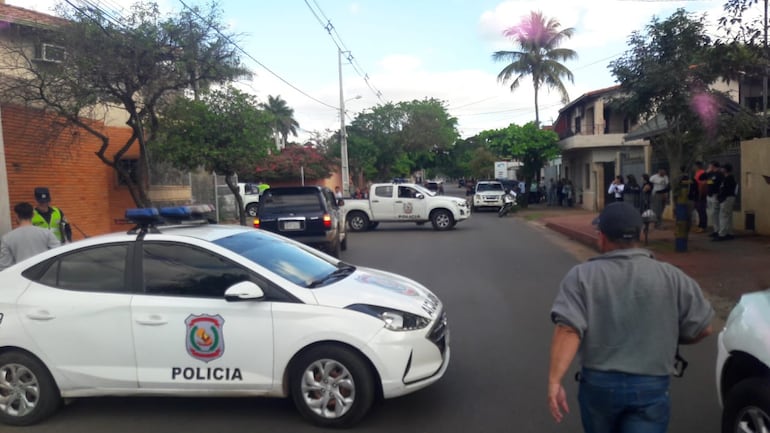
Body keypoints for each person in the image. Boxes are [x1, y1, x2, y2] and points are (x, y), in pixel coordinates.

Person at [548, 202, 714, 433]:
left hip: (599, 384)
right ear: (641, 234)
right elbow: (703, 328)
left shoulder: (581, 277)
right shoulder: (671, 276)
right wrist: (672, 337)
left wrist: (555, 381)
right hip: (651, 383)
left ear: (602, 237)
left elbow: (568, 330)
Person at [0, 202, 61, 270]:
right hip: (43, 276)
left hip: (20, 277)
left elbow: (4, 265)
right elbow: (58, 253)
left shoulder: (7, 238)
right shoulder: (46, 233)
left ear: (16, 216)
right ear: (33, 215)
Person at [698, 161, 724, 238]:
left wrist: (707, 182)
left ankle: (719, 230)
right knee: (713, 214)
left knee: (716, 213)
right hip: (709, 195)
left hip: (715, 195)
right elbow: (701, 178)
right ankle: (715, 230)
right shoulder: (710, 173)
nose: (709, 167)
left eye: (710, 166)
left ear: (713, 166)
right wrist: (707, 171)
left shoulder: (719, 174)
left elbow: (715, 182)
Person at [714, 163, 737, 241]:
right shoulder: (726, 178)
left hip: (727, 198)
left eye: (723, 168)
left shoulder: (729, 178)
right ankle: (729, 233)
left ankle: (722, 234)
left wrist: (721, 197)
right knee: (728, 216)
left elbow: (726, 190)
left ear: (726, 170)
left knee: (723, 216)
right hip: (727, 198)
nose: (721, 169)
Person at [693, 161, 708, 233]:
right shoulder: (697, 173)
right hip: (696, 194)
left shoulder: (702, 173)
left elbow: (705, 183)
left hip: (701, 194)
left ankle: (703, 226)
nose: (693, 167)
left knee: (702, 210)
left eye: (694, 166)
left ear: (697, 166)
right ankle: (700, 225)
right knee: (699, 210)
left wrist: (700, 194)